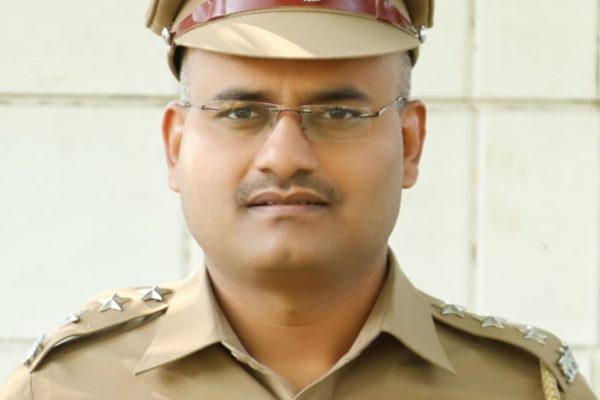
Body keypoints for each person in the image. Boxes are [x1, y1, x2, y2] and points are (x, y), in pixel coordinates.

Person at [0, 0, 596, 399]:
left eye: (340, 113)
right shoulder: (64, 388)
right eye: (241, 112)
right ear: (176, 146)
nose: (285, 157)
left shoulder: (525, 389)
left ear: (410, 144)